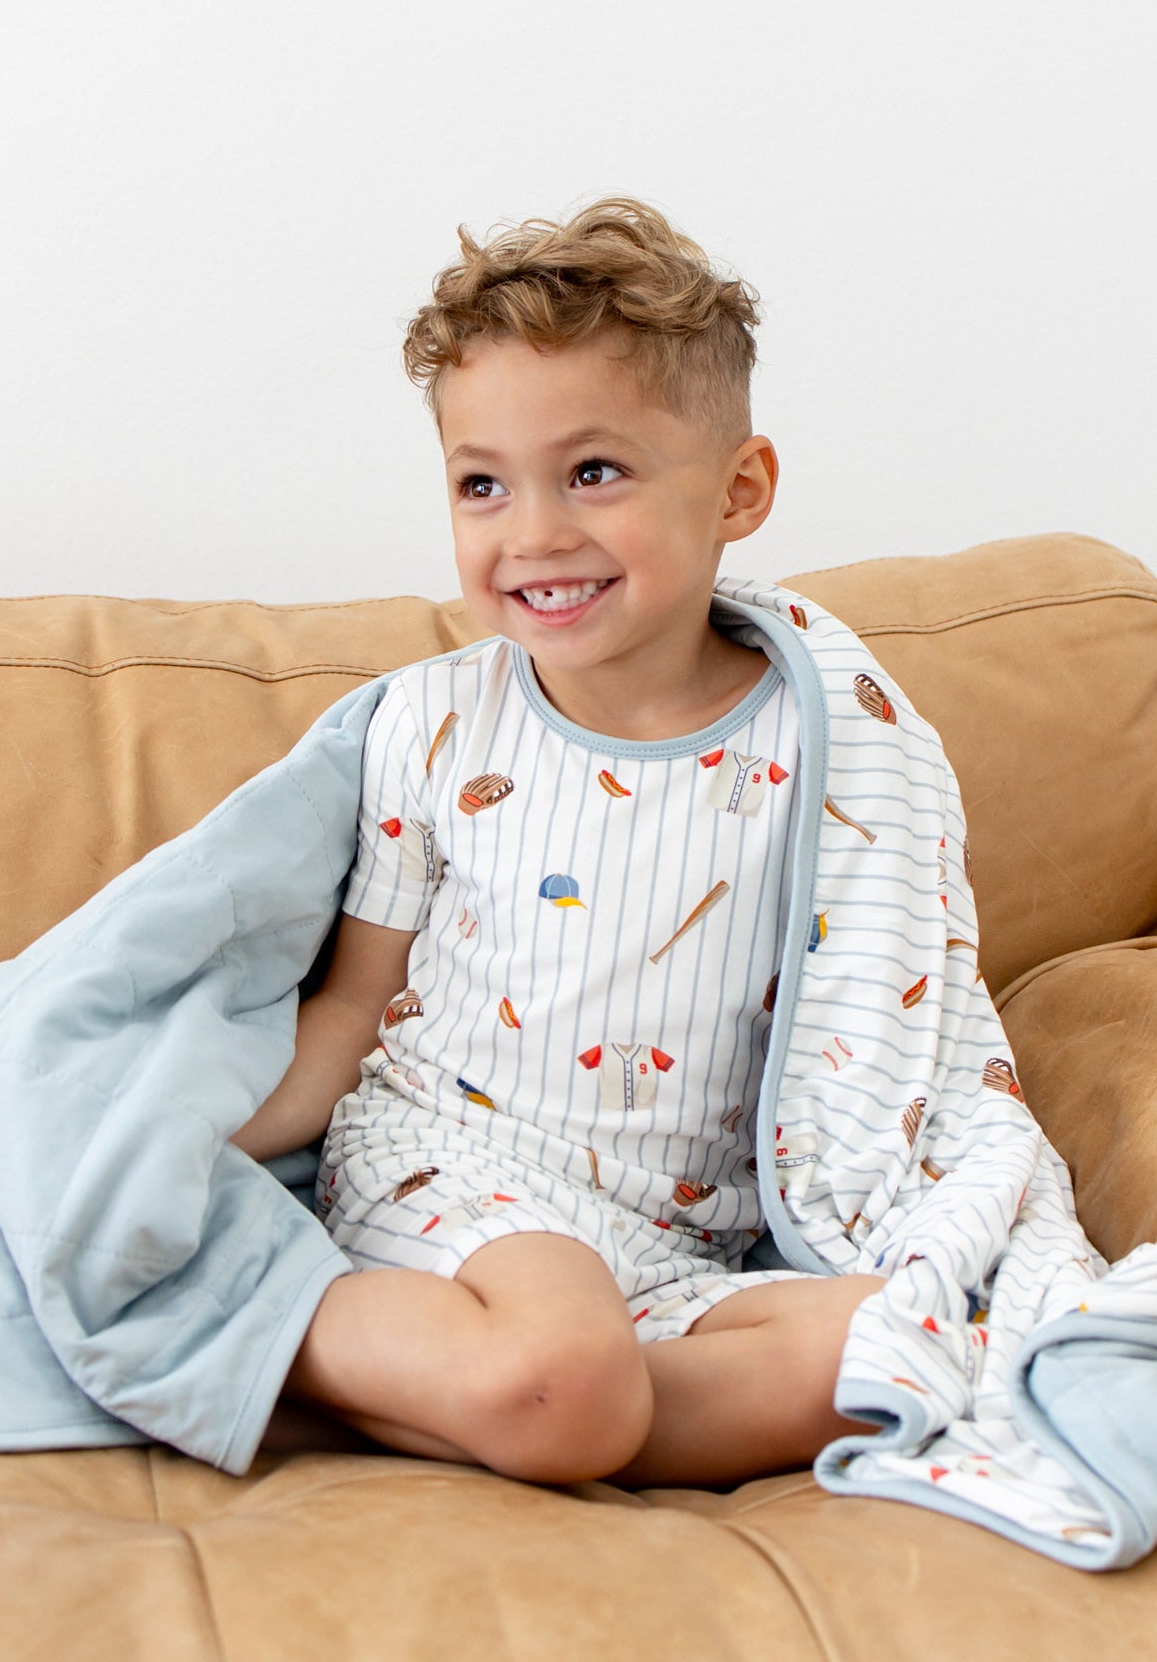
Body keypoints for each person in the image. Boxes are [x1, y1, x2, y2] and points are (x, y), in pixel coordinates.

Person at [232, 198, 881, 1488]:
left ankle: (515, 1401)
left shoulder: (829, 736)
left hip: (688, 1234)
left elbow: (891, 983)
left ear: (740, 489)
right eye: (483, 484)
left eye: (594, 472)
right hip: (458, 1167)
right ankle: (238, 1334)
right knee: (568, 1377)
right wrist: (198, 1151)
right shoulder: (439, 723)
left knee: (897, 1351)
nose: (531, 534)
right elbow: (359, 1005)